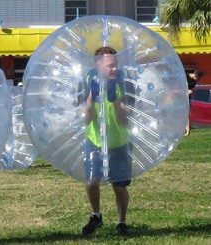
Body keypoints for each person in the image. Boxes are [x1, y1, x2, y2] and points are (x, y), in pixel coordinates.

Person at [81, 47, 133, 236]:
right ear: (98, 64)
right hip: (94, 140)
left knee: (119, 187)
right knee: (92, 182)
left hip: (119, 142)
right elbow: (86, 120)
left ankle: (122, 222)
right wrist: (90, 103)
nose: (114, 69)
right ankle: (96, 215)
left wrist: (117, 104)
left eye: (116, 65)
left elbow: (126, 121)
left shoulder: (124, 84)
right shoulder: (88, 82)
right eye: (110, 65)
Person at [185, 70, 203, 136]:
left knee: (187, 115)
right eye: (198, 78)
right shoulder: (185, 76)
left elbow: (192, 89)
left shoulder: (194, 81)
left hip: (188, 98)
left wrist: (191, 91)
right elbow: (178, 87)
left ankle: (188, 132)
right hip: (180, 97)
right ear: (195, 75)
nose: (198, 80)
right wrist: (186, 91)